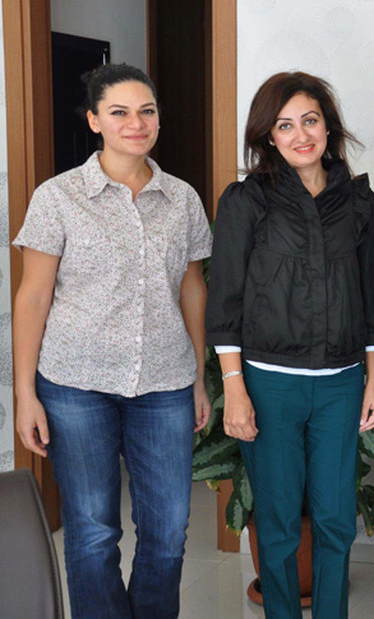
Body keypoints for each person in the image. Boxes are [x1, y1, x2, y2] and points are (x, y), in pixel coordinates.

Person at [13, 63, 211, 618]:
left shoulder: (182, 199)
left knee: (168, 531)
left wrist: (198, 378)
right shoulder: (58, 197)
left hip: (165, 382)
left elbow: (192, 289)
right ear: (94, 120)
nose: (136, 123)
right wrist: (25, 394)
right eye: (119, 112)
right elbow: (33, 297)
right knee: (93, 531)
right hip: (75, 384)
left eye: (147, 111)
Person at [206, 71, 374, 617]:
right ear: (269, 135)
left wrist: (372, 382)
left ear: (328, 127)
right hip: (269, 385)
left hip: (340, 385)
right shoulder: (246, 201)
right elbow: (226, 301)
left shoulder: (359, 201)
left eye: (310, 121)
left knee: (335, 520)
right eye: (284, 125)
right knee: (279, 522)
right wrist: (235, 390)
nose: (300, 135)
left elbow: (370, 296)